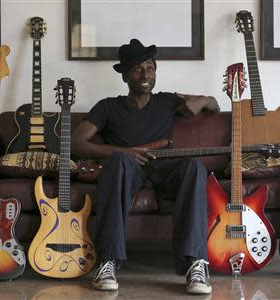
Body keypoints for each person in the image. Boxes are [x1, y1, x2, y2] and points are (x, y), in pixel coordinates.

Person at [74, 38, 219, 295]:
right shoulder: (108, 106)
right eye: (138, 69)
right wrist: (124, 152)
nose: (145, 74)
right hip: (128, 170)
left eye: (150, 68)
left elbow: (215, 106)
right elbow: (77, 142)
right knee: (118, 162)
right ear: (126, 76)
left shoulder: (167, 101)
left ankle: (195, 263)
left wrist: (203, 99)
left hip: (165, 168)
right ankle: (108, 261)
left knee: (194, 167)